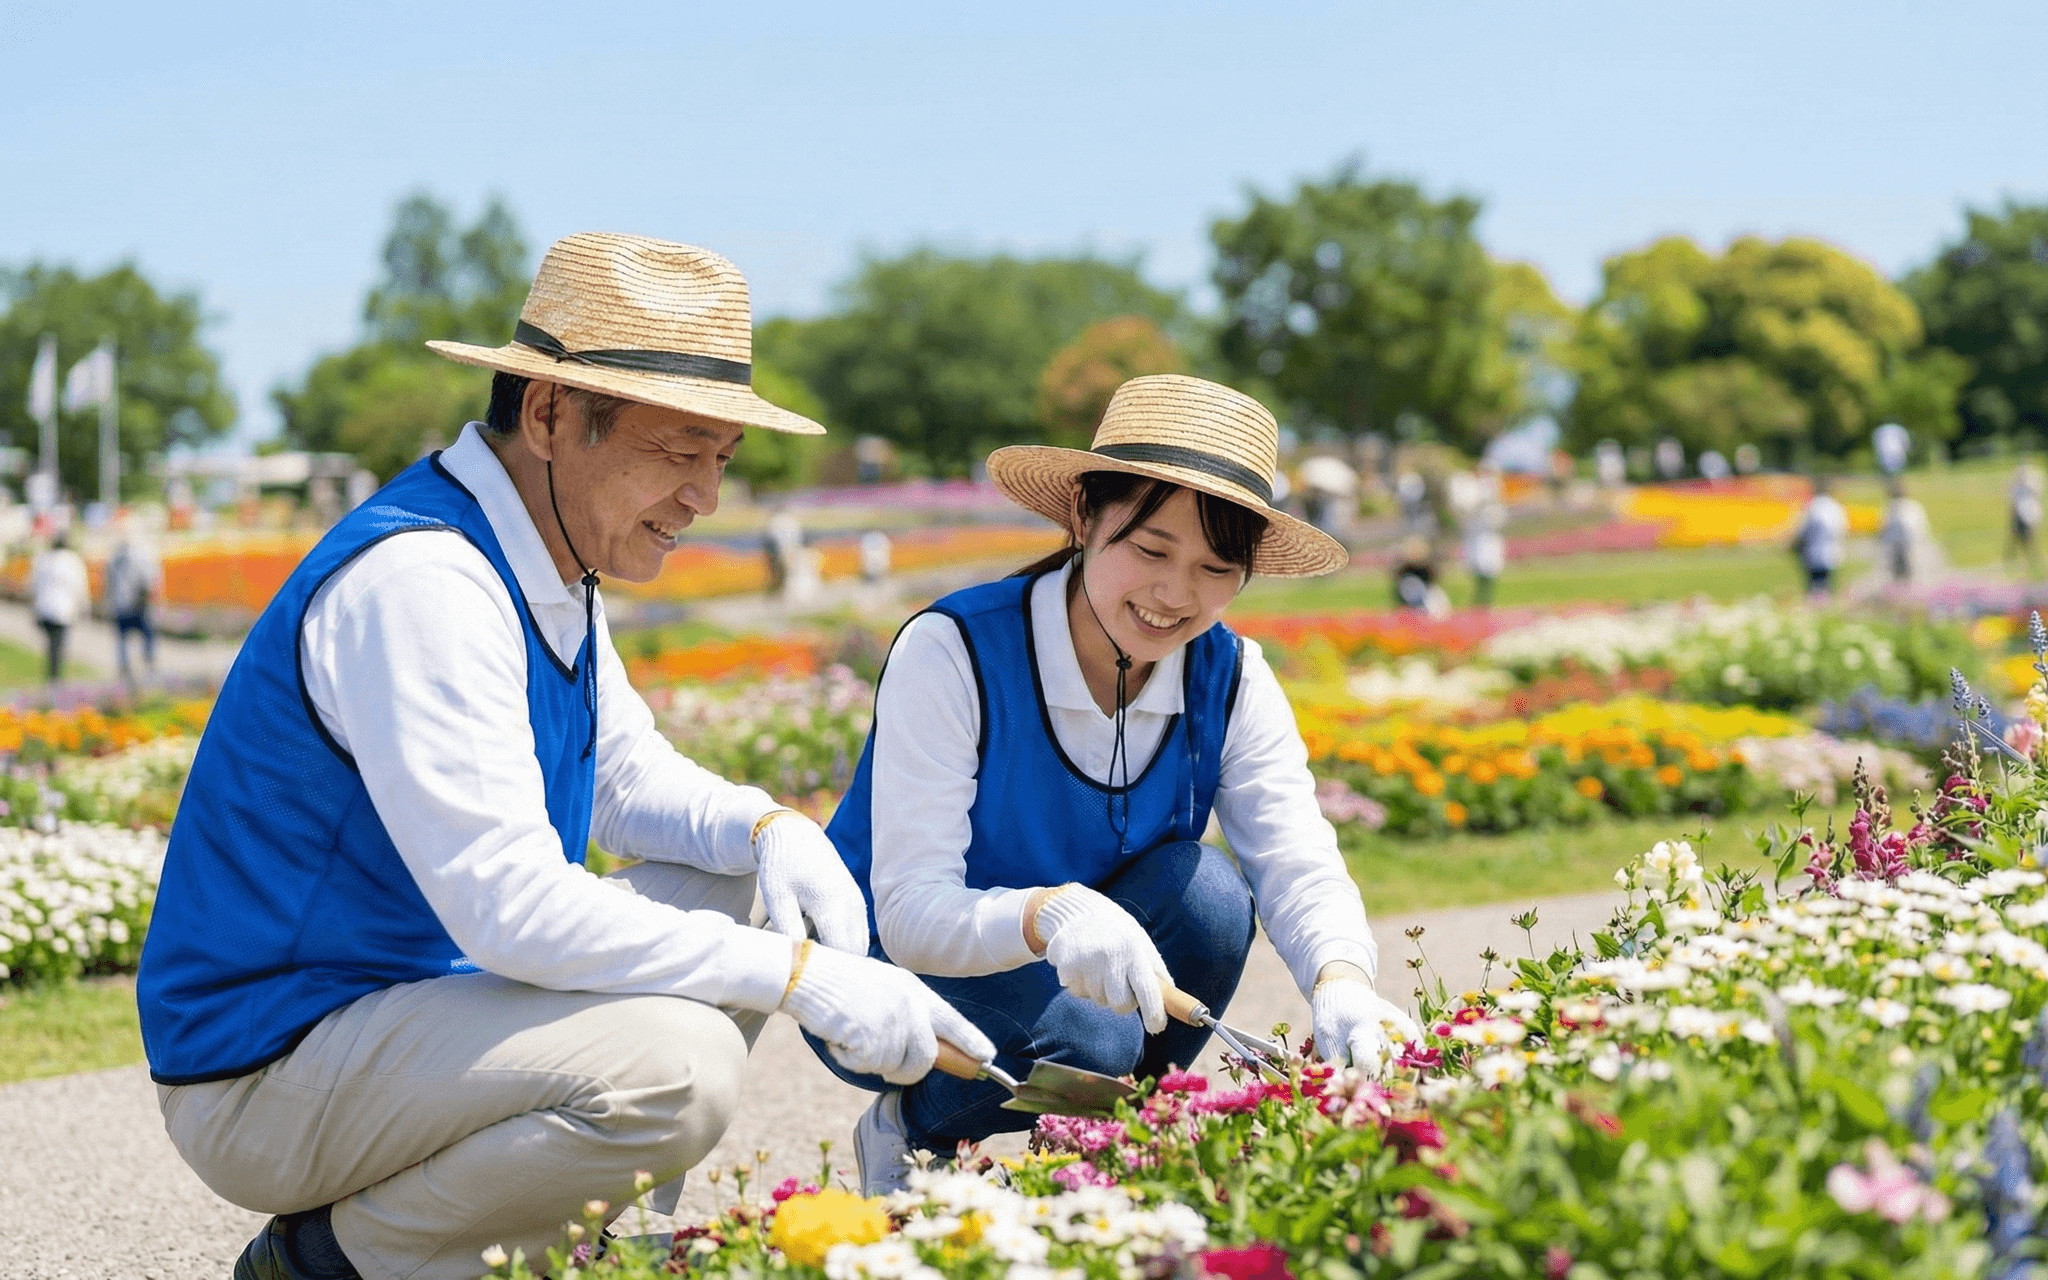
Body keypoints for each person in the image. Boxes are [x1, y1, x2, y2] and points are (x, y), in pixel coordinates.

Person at [136, 234, 991, 1280]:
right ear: (546, 414)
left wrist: (767, 826)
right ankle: (329, 1262)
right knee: (678, 1070)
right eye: (679, 452)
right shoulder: (426, 582)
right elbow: (510, 906)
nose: (704, 496)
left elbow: (621, 778)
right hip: (267, 1065)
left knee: (739, 881)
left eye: (721, 458)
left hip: (397, 1010)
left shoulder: (545, 554)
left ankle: (582, 1238)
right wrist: (801, 975)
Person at [815, 374, 1415, 1193]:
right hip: (890, 956)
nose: (1175, 595)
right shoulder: (955, 650)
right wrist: (1048, 913)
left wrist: (1342, 980)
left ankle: (1110, 1140)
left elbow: (1295, 855)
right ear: (1084, 516)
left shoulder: (1229, 675)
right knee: (1089, 1040)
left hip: (1073, 954)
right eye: (1151, 550)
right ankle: (916, 1129)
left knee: (1209, 896)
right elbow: (911, 912)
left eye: (1215, 567)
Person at [105, 520, 163, 686]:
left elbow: (109, 583)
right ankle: (149, 667)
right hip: (139, 605)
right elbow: (149, 580)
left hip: (120, 604)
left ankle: (125, 671)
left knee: (123, 640)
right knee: (147, 637)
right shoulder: (142, 555)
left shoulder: (114, 558)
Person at [29, 531, 88, 684]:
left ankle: (53, 676)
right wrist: (84, 607)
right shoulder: (72, 561)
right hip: (63, 610)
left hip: (45, 609)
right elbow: (80, 586)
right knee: (58, 645)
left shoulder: (44, 559)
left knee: (52, 645)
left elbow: (33, 585)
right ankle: (55, 679)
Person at [1793, 475, 1849, 597]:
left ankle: (1817, 601)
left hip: (1813, 552)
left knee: (1815, 585)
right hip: (1832, 552)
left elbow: (1801, 529)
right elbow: (1843, 529)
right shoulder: (1835, 506)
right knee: (1826, 584)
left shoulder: (1812, 506)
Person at [1878, 478, 1935, 586]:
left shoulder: (1891, 507)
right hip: (1910, 543)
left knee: (1899, 574)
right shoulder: (1914, 506)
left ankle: (1900, 590)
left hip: (1898, 545)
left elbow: (1883, 528)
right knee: (1910, 573)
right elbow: (1922, 527)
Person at [2009, 462, 2043, 577]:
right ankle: (2016, 559)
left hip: (2028, 515)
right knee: (2017, 538)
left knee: (2029, 538)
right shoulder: (2017, 487)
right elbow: (2014, 501)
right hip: (2020, 514)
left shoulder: (2031, 485)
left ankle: (2032, 558)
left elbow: (2035, 497)